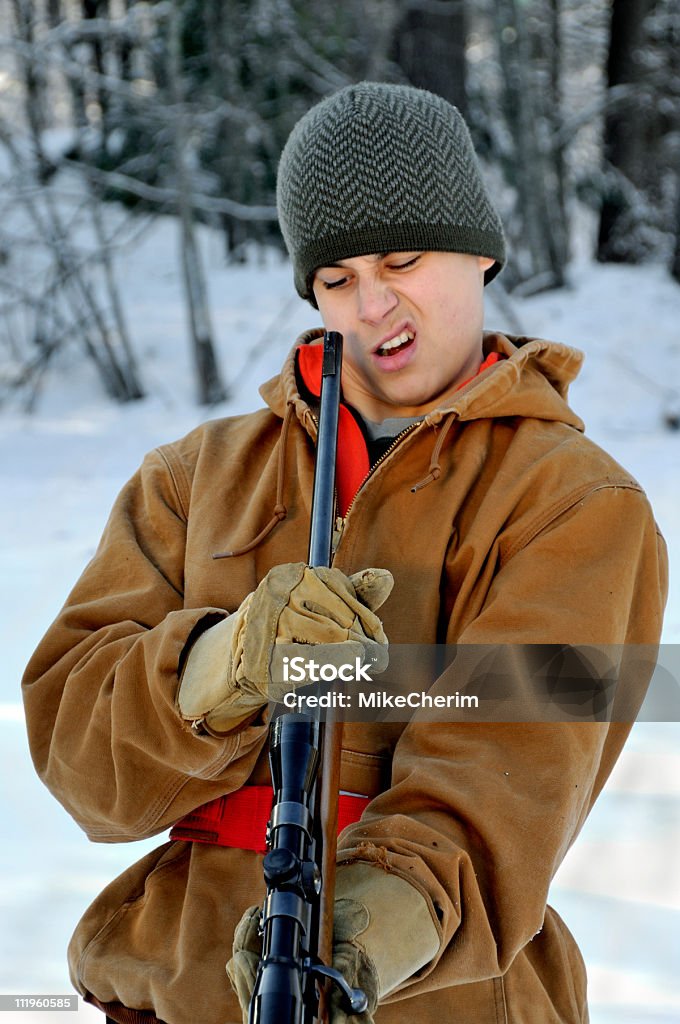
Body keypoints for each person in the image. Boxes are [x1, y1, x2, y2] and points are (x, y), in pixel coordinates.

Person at [22, 82, 667, 1024]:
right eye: (336, 279)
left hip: (432, 998)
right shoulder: (194, 478)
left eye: (402, 259)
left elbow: (511, 769)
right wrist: (224, 664)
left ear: (479, 250)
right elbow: (82, 765)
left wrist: (352, 947)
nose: (373, 305)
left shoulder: (573, 503)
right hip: (164, 989)